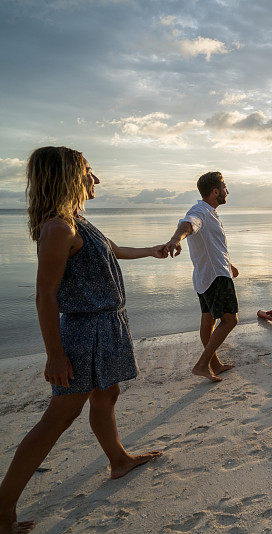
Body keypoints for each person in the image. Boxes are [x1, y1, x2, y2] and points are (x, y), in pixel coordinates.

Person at [0, 147, 165, 534]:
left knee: (107, 395)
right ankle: (2, 507)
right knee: (59, 417)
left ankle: (119, 459)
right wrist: (54, 355)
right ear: (70, 176)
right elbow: (45, 295)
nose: (97, 179)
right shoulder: (58, 227)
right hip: (83, 332)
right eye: (90, 171)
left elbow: (114, 251)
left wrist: (152, 251)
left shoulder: (78, 220)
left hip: (108, 326)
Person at [165, 171, 239, 382]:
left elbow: (213, 246)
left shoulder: (209, 213)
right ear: (215, 191)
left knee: (208, 322)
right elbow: (187, 224)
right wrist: (175, 239)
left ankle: (214, 363)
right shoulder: (200, 212)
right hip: (216, 276)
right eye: (225, 187)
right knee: (230, 320)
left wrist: (229, 265)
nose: (227, 191)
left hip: (206, 276)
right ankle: (202, 364)